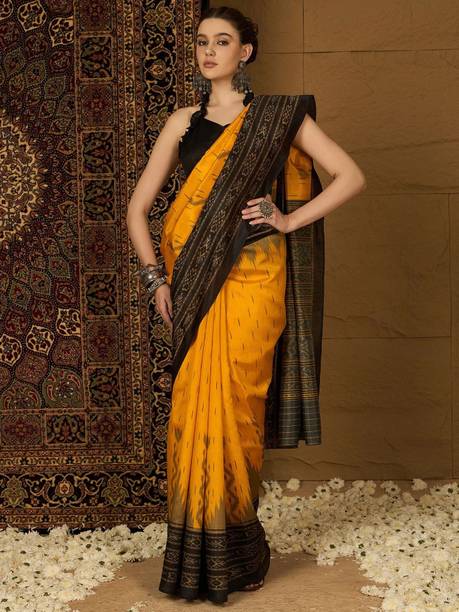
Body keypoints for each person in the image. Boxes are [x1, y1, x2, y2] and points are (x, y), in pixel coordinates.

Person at [126, 5, 366, 604]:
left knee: (236, 409)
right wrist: (156, 280)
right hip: (192, 282)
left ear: (245, 52)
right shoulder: (181, 123)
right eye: (201, 42)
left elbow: (350, 176)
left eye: (222, 41)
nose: (209, 52)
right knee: (192, 413)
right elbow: (137, 209)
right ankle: (195, 553)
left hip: (255, 278)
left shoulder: (278, 119)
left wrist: (286, 220)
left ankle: (238, 549)